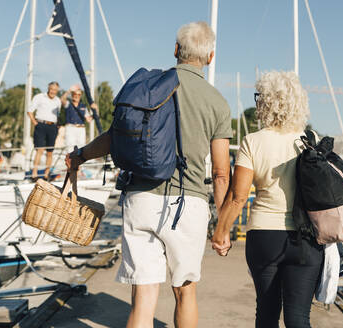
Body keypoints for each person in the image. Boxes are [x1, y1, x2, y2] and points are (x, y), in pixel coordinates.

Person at [66, 21, 232, 328]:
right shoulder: (217, 102)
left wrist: (80, 156)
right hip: (188, 205)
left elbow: (114, 135)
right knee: (186, 294)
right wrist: (222, 226)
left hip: (141, 198)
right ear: (210, 57)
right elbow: (221, 174)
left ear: (175, 51)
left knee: (143, 300)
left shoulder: (148, 88)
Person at [212, 71, 324, 328]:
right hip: (306, 237)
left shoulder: (253, 142)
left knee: (267, 312)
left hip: (264, 236)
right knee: (298, 318)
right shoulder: (311, 141)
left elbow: (238, 197)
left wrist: (222, 232)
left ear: (264, 103)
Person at [27, 81, 61, 181]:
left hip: (53, 127)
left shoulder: (58, 101)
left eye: (55, 90)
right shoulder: (39, 97)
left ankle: (46, 174)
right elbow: (30, 111)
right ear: (48, 88)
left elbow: (58, 115)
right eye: (51, 89)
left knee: (50, 152)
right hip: (40, 125)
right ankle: (34, 173)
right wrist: (34, 122)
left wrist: (57, 126)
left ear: (57, 91)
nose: (53, 91)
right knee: (40, 150)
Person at [60, 84, 98, 152]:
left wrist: (96, 110)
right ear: (72, 95)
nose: (76, 96)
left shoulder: (83, 106)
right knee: (70, 148)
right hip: (70, 128)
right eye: (75, 94)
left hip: (81, 129)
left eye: (79, 94)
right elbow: (62, 99)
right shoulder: (68, 104)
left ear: (80, 96)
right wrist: (69, 90)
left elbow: (89, 120)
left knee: (81, 148)